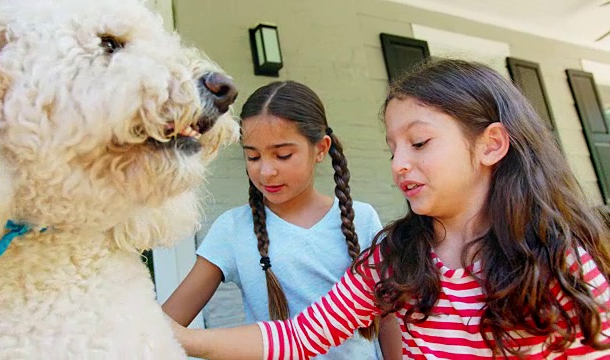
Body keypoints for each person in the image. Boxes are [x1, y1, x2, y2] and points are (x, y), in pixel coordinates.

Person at [171, 59, 610, 359]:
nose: (399, 163)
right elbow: (301, 335)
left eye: (419, 143)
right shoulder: (395, 255)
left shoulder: (559, 259)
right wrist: (179, 338)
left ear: (490, 144)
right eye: (393, 148)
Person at [162, 80, 402, 359]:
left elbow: (388, 317)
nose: (266, 171)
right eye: (252, 156)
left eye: (283, 155)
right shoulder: (233, 229)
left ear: (321, 149)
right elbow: (166, 323)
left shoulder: (363, 218)